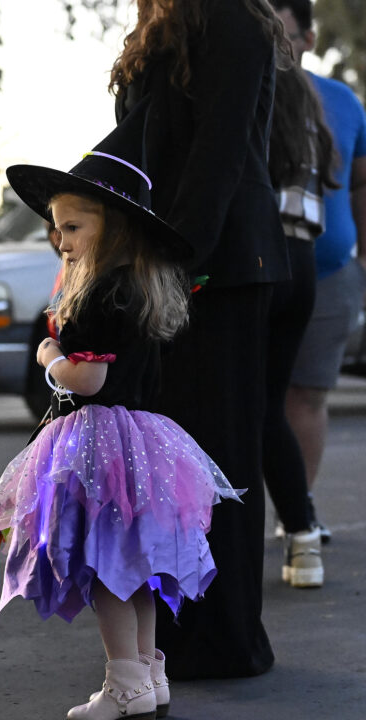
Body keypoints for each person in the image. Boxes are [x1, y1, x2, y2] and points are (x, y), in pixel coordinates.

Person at [0, 104, 243, 720]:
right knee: (138, 565)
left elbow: (88, 379)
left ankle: (123, 683)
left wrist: (49, 357)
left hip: (98, 442)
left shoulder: (94, 298)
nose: (60, 240)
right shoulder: (142, 289)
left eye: (72, 228)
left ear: (114, 228)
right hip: (148, 439)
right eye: (57, 229)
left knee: (106, 567)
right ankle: (148, 674)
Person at [111, 0, 291, 678]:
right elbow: (139, 146)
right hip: (173, 258)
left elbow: (217, 157)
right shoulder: (157, 33)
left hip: (219, 269)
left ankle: (225, 639)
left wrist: (178, 265)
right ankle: (175, 636)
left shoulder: (235, 25)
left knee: (221, 460)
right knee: (171, 465)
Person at [271, 0, 366, 546]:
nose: (273, 47)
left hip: (330, 274)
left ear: (307, 38)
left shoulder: (342, 101)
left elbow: (361, 184)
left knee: (305, 396)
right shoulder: (241, 92)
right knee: (249, 398)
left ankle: (296, 514)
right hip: (259, 273)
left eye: (281, 34)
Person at [263, 61, 339, 588]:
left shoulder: (249, 81)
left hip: (259, 259)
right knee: (271, 407)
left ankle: (227, 545)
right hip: (303, 261)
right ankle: (303, 537)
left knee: (237, 406)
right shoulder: (304, 94)